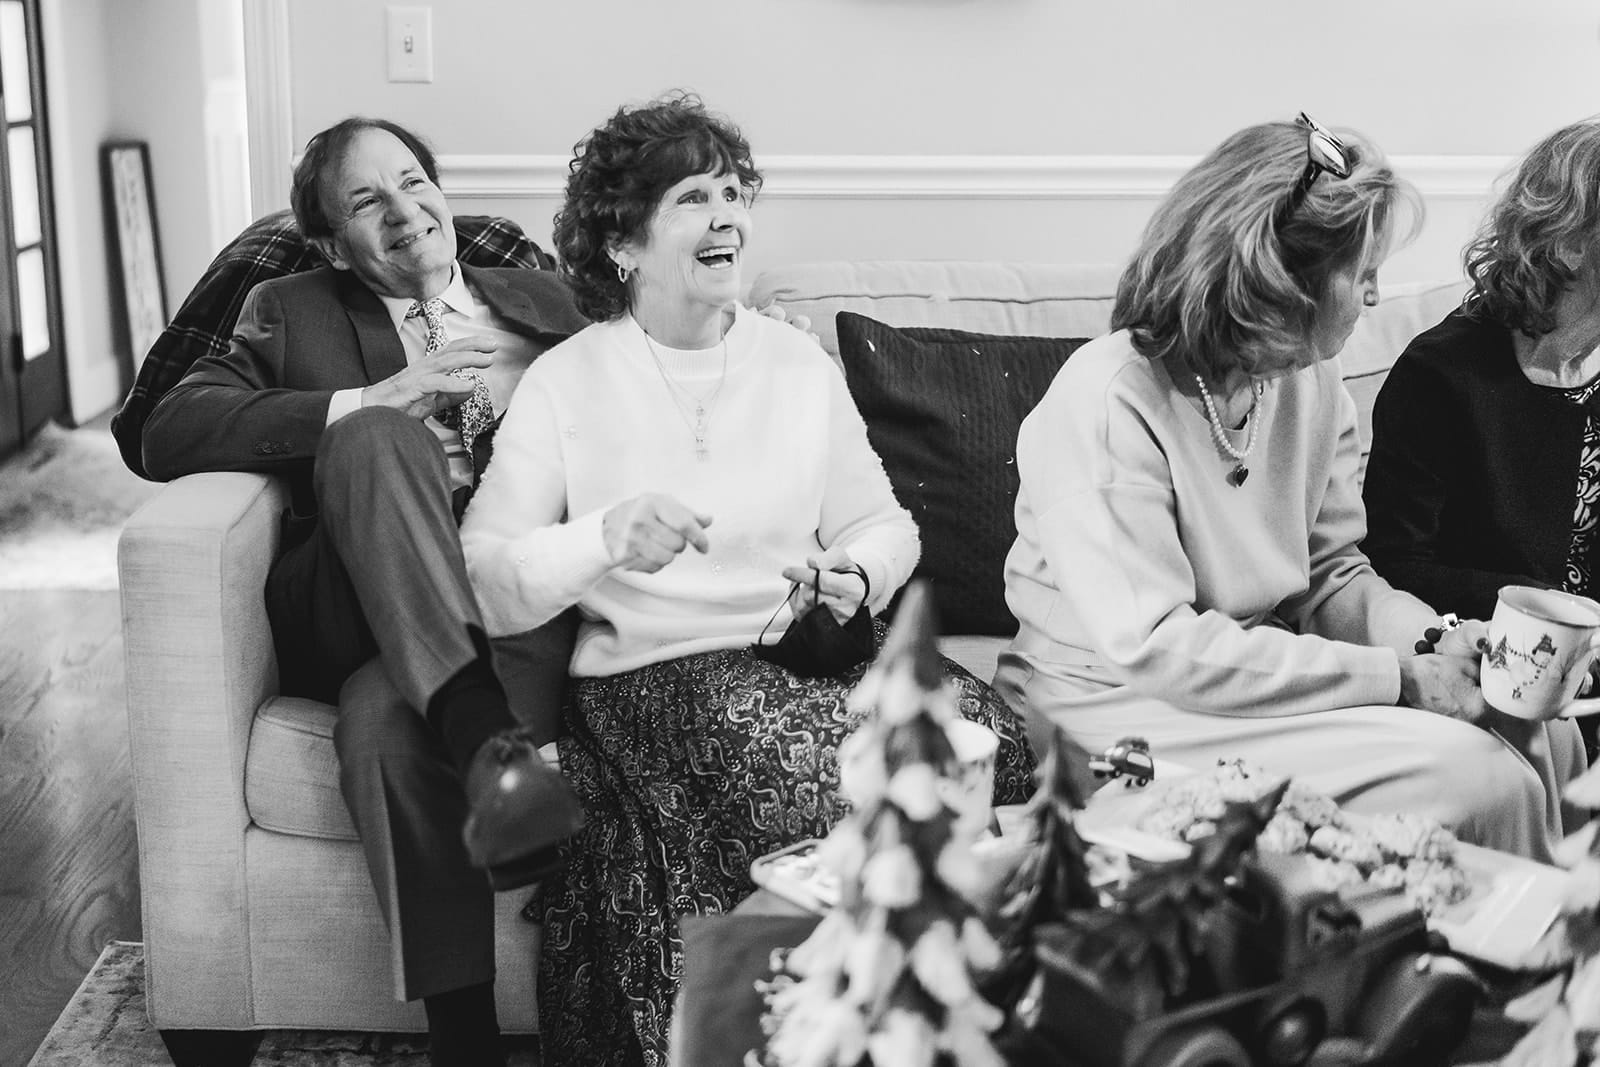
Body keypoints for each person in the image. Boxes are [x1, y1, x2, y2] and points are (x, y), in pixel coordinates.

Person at [458, 92, 1037, 1065]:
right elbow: (486, 577)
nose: (725, 215)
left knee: (998, 754)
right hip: (656, 674)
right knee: (831, 786)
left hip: (810, 652)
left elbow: (883, 524)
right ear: (623, 244)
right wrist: (603, 537)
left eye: (733, 193)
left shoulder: (795, 363)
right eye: (692, 197)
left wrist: (856, 573)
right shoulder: (568, 380)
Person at [992, 113, 1584, 865]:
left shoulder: (1310, 381)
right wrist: (1401, 679)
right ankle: (1498, 938)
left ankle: (1552, 933)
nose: (1376, 295)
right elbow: (1157, 647)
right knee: (1480, 777)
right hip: (1110, 702)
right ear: (1283, 281)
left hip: (1246, 678)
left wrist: (1438, 641)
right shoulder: (1108, 400)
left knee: (1543, 729)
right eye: (1360, 274)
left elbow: (1334, 577)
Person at [140, 116, 591, 1066]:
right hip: (355, 602)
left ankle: (463, 1034)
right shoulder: (290, 307)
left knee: (384, 722)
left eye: (413, 180)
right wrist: (366, 401)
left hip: (512, 608)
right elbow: (169, 426)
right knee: (377, 437)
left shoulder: (548, 300)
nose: (403, 209)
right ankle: (480, 726)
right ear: (331, 243)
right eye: (365, 199)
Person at [1362, 117, 1600, 624]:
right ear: (1570, 243)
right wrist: (1539, 605)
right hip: (1495, 648)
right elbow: (1392, 566)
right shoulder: (1439, 375)